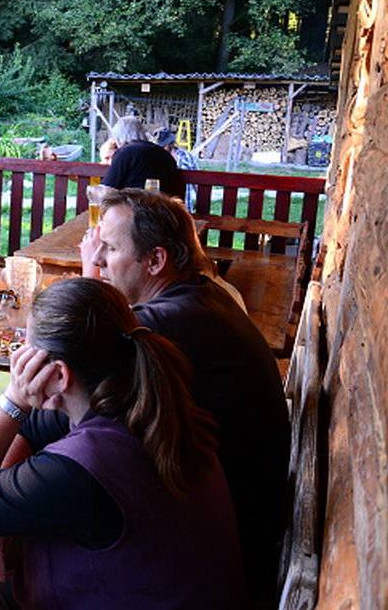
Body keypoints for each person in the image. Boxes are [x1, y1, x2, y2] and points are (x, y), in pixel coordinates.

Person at [0, 278, 247, 609]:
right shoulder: (145, 400)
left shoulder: (81, 470)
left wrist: (15, 398)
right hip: (189, 590)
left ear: (59, 376)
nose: (19, 357)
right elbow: (38, 426)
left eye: (25, 348)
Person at [79, 188, 289, 604]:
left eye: (111, 248)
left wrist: (88, 282)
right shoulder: (205, 295)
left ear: (156, 261)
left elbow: (77, 365)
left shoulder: (164, 324)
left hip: (224, 552)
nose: (99, 260)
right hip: (241, 516)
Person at [102, 116, 181, 196]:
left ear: (119, 139)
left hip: (133, 202)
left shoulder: (125, 153)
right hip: (163, 203)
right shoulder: (166, 155)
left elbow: (107, 189)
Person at [155, 127, 199, 211]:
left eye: (165, 145)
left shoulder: (186, 157)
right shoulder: (156, 157)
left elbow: (197, 181)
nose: (164, 148)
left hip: (184, 206)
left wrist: (199, 199)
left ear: (171, 144)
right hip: (163, 207)